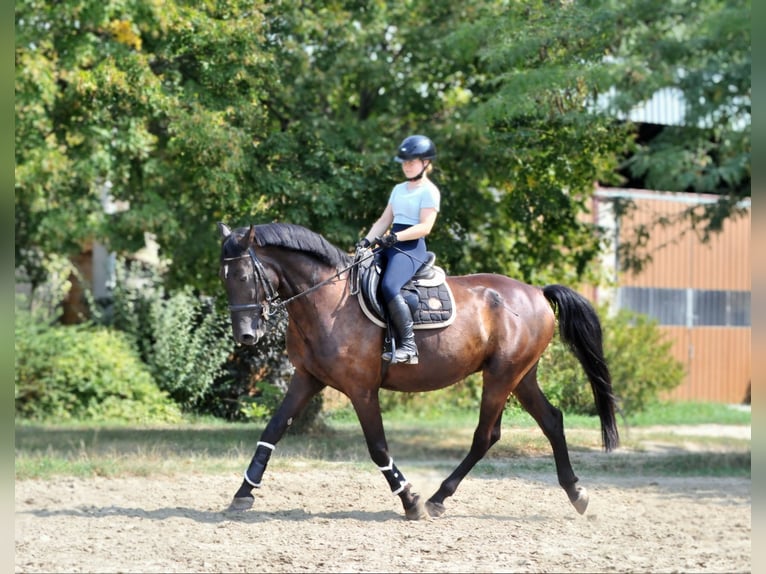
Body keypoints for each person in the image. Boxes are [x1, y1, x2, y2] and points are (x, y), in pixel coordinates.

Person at [356, 134, 441, 365]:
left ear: (425, 163)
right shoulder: (399, 189)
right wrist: (366, 242)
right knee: (357, 272)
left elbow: (425, 227)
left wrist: (395, 237)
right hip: (390, 243)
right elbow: (385, 219)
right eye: (404, 162)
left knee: (389, 286)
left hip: (411, 247)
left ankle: (409, 346)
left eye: (411, 162)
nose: (406, 166)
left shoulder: (429, 191)